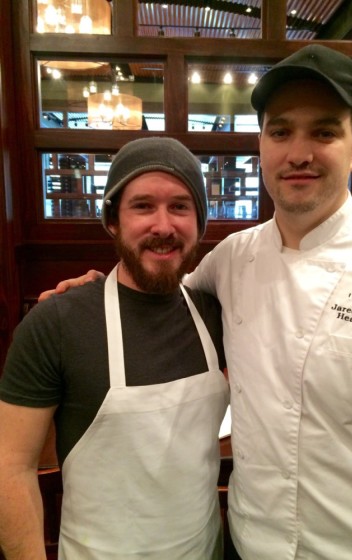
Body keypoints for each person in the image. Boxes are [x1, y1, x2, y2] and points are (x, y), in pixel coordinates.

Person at [38, 45, 352, 559]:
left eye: (324, 132)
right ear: (261, 145)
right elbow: (157, 290)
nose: (299, 153)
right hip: (246, 542)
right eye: (280, 132)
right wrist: (91, 290)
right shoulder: (232, 259)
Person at [0, 137, 229, 560]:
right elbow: (10, 468)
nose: (163, 226)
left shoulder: (217, 314)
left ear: (200, 221)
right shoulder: (56, 323)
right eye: (143, 206)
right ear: (112, 221)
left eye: (180, 206)